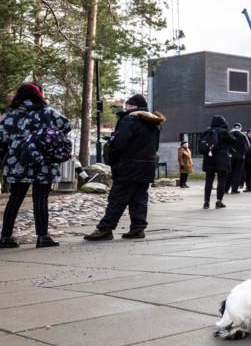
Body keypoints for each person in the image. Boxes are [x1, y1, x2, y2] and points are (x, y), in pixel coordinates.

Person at [0, 83, 72, 248]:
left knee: (15, 198)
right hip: (43, 161)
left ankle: (5, 237)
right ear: (39, 95)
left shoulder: (10, 115)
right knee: (41, 199)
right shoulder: (48, 112)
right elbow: (66, 126)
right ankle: (42, 237)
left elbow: (1, 138)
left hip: (17, 162)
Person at [85, 94, 166, 240]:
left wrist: (112, 155)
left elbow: (119, 144)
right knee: (139, 198)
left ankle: (105, 229)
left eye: (127, 105)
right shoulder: (154, 123)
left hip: (128, 165)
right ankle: (138, 228)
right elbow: (155, 146)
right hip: (147, 165)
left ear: (133, 106)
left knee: (117, 197)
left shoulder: (130, 119)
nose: (125, 107)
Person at [199, 115, 235, 209]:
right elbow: (233, 140)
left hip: (209, 158)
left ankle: (206, 202)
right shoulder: (224, 132)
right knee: (222, 180)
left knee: (208, 181)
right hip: (222, 158)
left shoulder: (207, 131)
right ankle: (219, 201)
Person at [227, 122, 249, 195]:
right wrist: (243, 153)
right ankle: (234, 189)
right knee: (237, 173)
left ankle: (225, 189)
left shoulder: (229, 134)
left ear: (233, 127)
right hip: (240, 157)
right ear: (240, 128)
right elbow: (248, 147)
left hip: (230, 157)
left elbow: (225, 145)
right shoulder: (243, 135)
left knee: (229, 173)